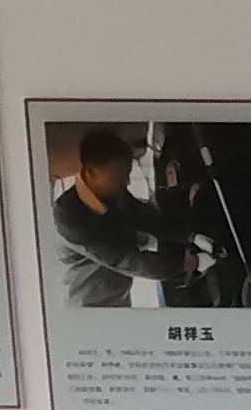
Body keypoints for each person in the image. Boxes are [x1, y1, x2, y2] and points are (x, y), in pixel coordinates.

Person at [51, 128, 171, 309]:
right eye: (122, 174)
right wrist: (184, 264)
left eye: (128, 174)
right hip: (87, 308)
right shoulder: (68, 216)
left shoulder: (114, 194)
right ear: (92, 172)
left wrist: (190, 235)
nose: (127, 182)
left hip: (118, 299)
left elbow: (147, 218)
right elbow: (126, 260)